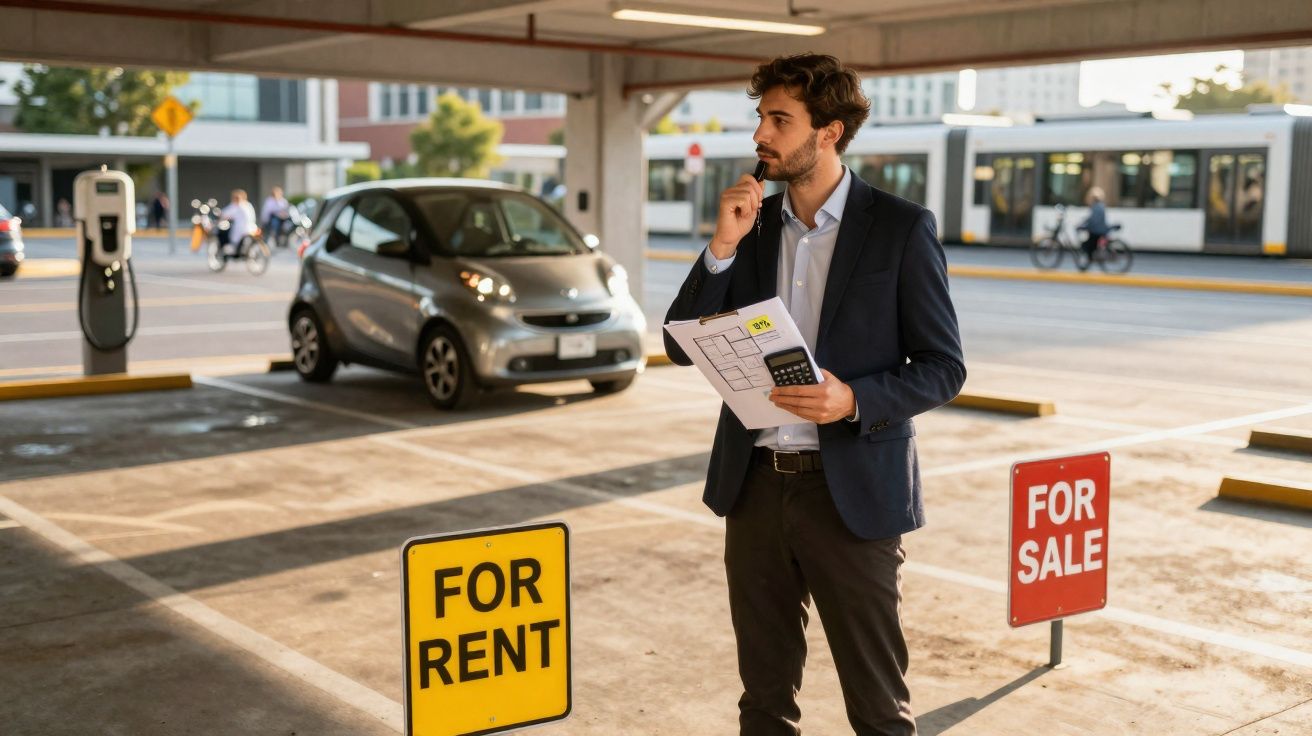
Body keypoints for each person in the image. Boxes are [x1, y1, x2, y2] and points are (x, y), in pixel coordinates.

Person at [664, 54, 965, 736]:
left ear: (828, 132)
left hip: (852, 493)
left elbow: (944, 367)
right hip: (756, 491)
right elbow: (681, 344)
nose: (761, 136)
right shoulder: (753, 226)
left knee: (878, 708)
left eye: (780, 120)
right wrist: (720, 247)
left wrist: (851, 400)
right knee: (763, 702)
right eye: (760, 118)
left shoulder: (899, 228)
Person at [219, 189, 259, 254]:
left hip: (241, 229)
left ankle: (231, 250)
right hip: (252, 228)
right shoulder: (248, 205)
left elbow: (225, 214)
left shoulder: (237, 206)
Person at [1078, 187, 1109, 268]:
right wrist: (1083, 224)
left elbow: (1093, 220)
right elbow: (1090, 218)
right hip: (1097, 229)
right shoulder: (1099, 206)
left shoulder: (1097, 207)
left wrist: (1084, 226)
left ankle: (1088, 261)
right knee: (1088, 245)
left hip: (1097, 231)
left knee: (1086, 245)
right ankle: (1088, 261)